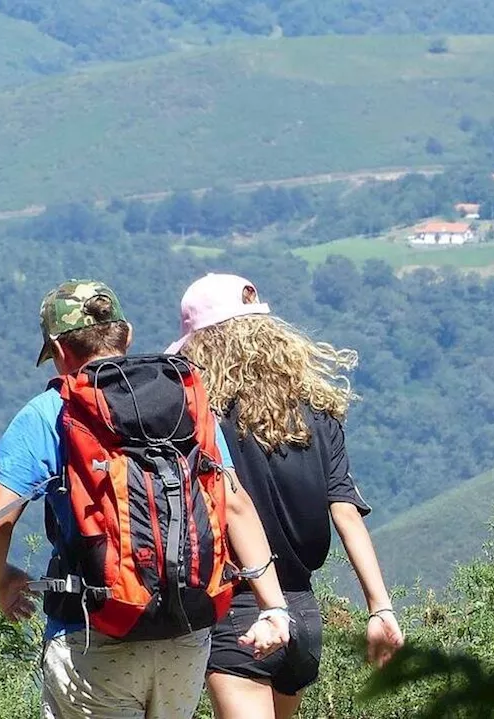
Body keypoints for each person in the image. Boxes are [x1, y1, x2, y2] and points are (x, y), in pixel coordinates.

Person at [0, 279, 291, 719]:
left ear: (58, 350)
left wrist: (2, 580)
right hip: (185, 633)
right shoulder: (185, 397)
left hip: (94, 633)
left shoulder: (53, 411)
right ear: (126, 335)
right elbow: (234, 503)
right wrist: (273, 607)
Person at [165, 273, 405, 719]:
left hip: (240, 610)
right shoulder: (318, 413)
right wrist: (380, 606)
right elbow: (347, 515)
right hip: (303, 613)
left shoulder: (201, 419)